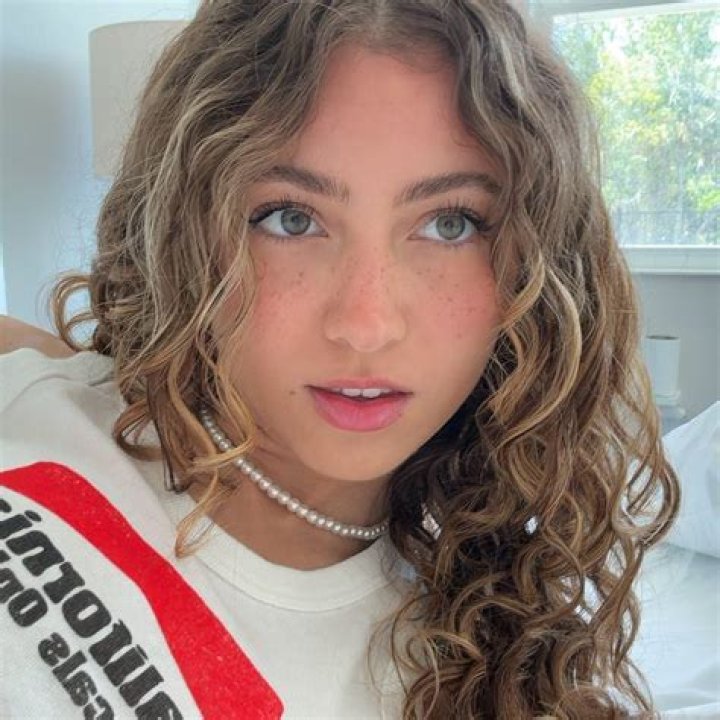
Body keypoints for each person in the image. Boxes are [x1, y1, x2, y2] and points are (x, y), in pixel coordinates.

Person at [0, 0, 679, 717]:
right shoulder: (40, 393)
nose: (366, 326)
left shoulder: (479, 679)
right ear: (189, 236)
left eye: (451, 225)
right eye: (290, 219)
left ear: (538, 275)